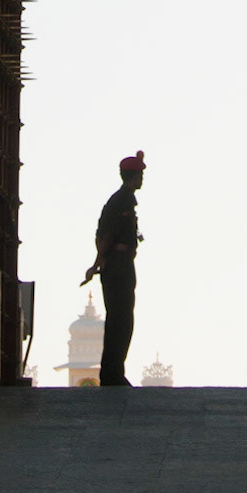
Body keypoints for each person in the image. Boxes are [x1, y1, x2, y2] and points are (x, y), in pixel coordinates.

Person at [81, 150, 145, 386]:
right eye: (139, 174)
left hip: (121, 263)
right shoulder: (121, 201)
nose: (142, 179)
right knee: (121, 318)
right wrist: (98, 262)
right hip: (118, 266)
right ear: (132, 176)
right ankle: (112, 374)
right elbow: (106, 235)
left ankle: (114, 371)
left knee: (121, 318)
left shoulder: (121, 200)